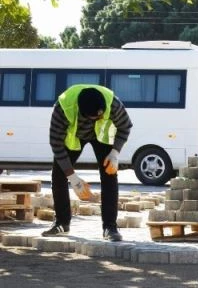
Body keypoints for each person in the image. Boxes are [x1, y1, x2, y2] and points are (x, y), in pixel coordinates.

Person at [43, 84, 133, 241]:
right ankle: (62, 223)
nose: (100, 118)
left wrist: (115, 153)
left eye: (102, 115)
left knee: (109, 174)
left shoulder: (113, 104)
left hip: (102, 137)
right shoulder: (63, 108)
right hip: (76, 136)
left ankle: (110, 227)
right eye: (95, 118)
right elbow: (56, 143)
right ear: (82, 113)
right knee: (58, 175)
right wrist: (72, 177)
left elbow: (125, 126)